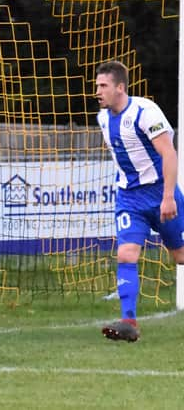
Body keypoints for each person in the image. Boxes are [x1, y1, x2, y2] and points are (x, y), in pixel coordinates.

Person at [95, 60, 184, 342]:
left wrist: (168, 196)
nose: (97, 91)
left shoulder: (145, 112)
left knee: (180, 256)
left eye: (103, 86)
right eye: (97, 86)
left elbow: (169, 154)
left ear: (120, 87)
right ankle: (129, 323)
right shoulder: (102, 117)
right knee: (126, 254)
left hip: (160, 194)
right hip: (129, 199)